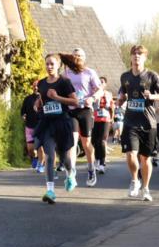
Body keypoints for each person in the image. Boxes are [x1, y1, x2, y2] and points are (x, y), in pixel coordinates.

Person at [117, 45, 159, 202]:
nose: (136, 56)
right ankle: (134, 180)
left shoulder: (152, 76)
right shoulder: (125, 76)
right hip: (130, 121)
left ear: (145, 58)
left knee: (145, 159)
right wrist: (120, 99)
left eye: (140, 54)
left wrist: (152, 96)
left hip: (148, 123)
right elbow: (122, 91)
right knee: (131, 153)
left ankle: (146, 188)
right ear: (130, 57)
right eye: (134, 53)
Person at [34, 54, 78, 204]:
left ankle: (70, 173)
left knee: (64, 157)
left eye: (52, 64)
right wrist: (37, 103)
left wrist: (57, 97)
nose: (49, 67)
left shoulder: (64, 82)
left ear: (58, 65)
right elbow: (42, 99)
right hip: (47, 123)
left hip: (62, 123)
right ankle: (50, 191)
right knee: (49, 156)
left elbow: (75, 102)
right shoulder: (41, 83)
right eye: (47, 64)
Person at [60, 48, 103, 187]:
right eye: (75, 55)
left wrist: (93, 98)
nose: (77, 57)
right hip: (71, 110)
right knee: (72, 142)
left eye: (80, 55)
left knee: (86, 143)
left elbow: (100, 90)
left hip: (85, 110)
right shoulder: (66, 73)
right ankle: (71, 173)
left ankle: (91, 169)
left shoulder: (90, 72)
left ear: (84, 58)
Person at [21, 80, 44, 173]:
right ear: (32, 87)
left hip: (40, 126)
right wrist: (23, 115)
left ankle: (41, 164)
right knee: (30, 149)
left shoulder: (44, 98)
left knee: (40, 147)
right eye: (34, 86)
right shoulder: (27, 99)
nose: (36, 88)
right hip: (29, 126)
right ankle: (35, 158)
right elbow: (23, 111)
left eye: (37, 86)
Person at [91, 76, 113, 174]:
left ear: (105, 84)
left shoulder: (109, 94)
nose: (100, 83)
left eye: (102, 82)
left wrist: (112, 118)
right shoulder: (93, 94)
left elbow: (112, 106)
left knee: (102, 141)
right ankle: (97, 160)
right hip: (95, 119)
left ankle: (102, 163)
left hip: (105, 119)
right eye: (99, 82)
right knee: (95, 141)